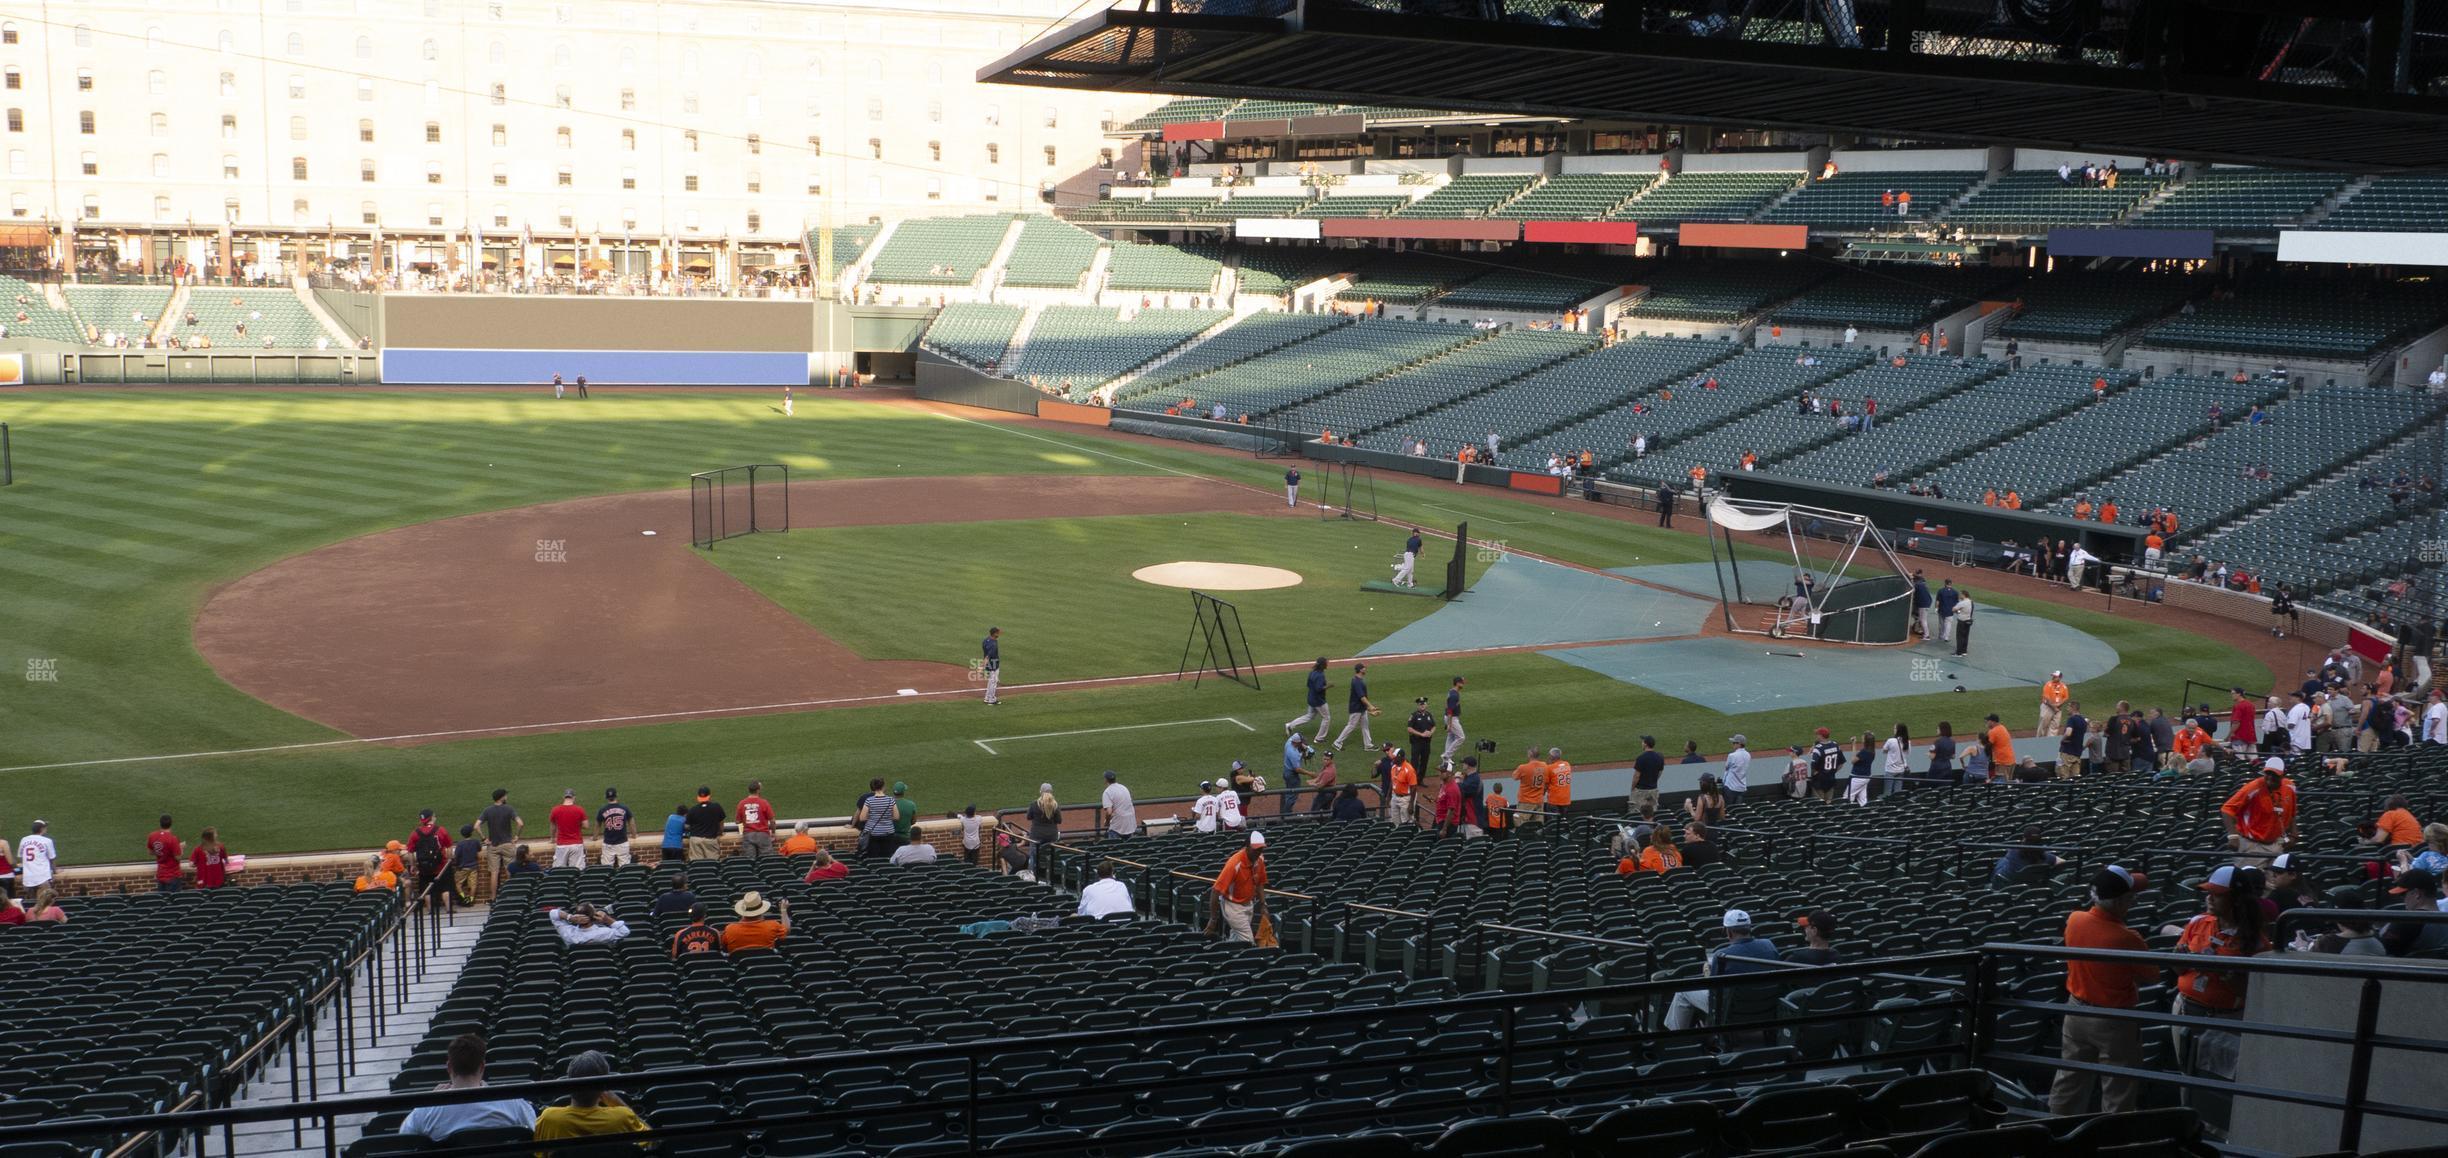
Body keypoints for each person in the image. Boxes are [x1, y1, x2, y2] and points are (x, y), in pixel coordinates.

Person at [2166, 865, 2269, 1125]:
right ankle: (2186, 1126)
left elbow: (2250, 993)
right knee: (2186, 1073)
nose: (2209, 898)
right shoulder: (2198, 922)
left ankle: (2217, 1133)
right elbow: (2178, 967)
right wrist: (2181, 957)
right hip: (2186, 1008)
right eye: (2208, 893)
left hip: (2226, 1019)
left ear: (2236, 899)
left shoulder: (2256, 942)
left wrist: (2222, 971)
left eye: (2217, 894)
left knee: (2217, 1081)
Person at [2049, 865, 2156, 1116]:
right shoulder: (2127, 937)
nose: (2134, 900)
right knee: (2118, 1088)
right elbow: (2152, 975)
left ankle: (2053, 1133)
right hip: (2114, 1020)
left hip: (2076, 1010)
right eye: (2131, 896)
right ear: (2120, 901)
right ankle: (2111, 1143)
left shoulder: (2074, 919)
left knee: (2069, 1080)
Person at [398, 1034, 539, 1141]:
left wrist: (430, 1101)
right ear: (482, 1066)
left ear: (449, 1067)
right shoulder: (512, 1103)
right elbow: (534, 1129)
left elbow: (405, 1140)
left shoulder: (425, 1111)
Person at [1663, 911, 1783, 1031]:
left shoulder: (1722, 955)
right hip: (1766, 1004)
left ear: (1729, 932)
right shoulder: (1769, 945)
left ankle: (1677, 1038)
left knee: (1683, 992)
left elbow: (1714, 994)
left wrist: (1707, 974)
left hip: (1731, 1009)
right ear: (1749, 928)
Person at [530, 1052, 646, 1142]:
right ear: (604, 1087)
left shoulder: (549, 1119)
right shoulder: (623, 1116)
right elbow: (653, 1142)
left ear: (569, 1084)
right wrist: (619, 1103)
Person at [2222, 758, 2297, 866]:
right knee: (2249, 881)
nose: (2270, 777)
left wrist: (2294, 834)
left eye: (2274, 774)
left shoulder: (2290, 787)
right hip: (2252, 845)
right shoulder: (2253, 787)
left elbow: (2292, 812)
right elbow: (2226, 809)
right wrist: (2233, 836)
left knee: (2273, 882)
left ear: (2282, 775)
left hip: (2276, 843)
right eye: (2267, 773)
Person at [1214, 833, 1268, 943]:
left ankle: (1226, 956)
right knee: (1248, 941)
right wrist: (1213, 918)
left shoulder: (1259, 860)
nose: (1258, 852)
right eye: (1256, 849)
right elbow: (1215, 890)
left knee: (1236, 940)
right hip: (1232, 906)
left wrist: (1263, 904)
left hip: (1248, 904)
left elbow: (1260, 883)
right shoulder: (1234, 863)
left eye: (1261, 849)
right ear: (1247, 847)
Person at [2380, 870, 2448, 956]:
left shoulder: (2408, 921)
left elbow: (2381, 950)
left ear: (2417, 894)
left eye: (2403, 894)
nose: (2403, 899)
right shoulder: (2444, 919)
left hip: (2401, 967)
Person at [720, 892, 791, 951]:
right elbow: (786, 930)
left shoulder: (730, 929)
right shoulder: (772, 926)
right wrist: (783, 910)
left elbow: (723, 945)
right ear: (761, 910)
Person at [478, 789, 522, 885]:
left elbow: (476, 826)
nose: (506, 797)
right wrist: (516, 836)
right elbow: (520, 824)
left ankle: (493, 897)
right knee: (509, 870)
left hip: (493, 846)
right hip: (507, 844)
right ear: (501, 797)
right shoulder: (509, 809)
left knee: (494, 873)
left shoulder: (487, 810)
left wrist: (484, 839)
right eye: (505, 795)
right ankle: (512, 893)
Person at [1333, 662, 1379, 752]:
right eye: (1364, 668)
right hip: (1356, 708)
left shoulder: (1359, 680)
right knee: (1351, 726)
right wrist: (1371, 706)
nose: (1365, 669)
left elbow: (1362, 697)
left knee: (1365, 726)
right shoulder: (1356, 681)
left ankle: (1368, 745)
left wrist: (1369, 708)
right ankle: (1337, 742)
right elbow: (1362, 697)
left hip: (1361, 708)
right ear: (1360, 670)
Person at [1286, 656, 1333, 743]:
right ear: (1323, 665)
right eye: (1326, 663)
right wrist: (1328, 686)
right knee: (1326, 718)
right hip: (1319, 701)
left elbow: (1308, 685)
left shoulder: (1312, 672)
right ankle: (1319, 738)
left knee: (1309, 716)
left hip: (1311, 698)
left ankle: (1290, 725)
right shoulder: (1320, 675)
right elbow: (1319, 689)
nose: (1327, 664)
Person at [1994, 827, 2063, 881]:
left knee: (2003, 861)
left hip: (2011, 882)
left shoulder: (2013, 852)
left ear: (2024, 839)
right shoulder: (2046, 856)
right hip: (2034, 882)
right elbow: (2063, 862)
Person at [856, 779, 900, 860]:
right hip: (888, 832)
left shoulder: (869, 800)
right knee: (886, 858)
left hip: (873, 834)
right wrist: (886, 818)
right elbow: (896, 817)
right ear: (883, 787)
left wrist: (873, 817)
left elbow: (862, 818)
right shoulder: (891, 800)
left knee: (874, 858)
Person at [548, 902, 630, 945]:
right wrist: (608, 919)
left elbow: (553, 913)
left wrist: (570, 917)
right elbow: (624, 931)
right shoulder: (606, 933)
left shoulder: (567, 933)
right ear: (594, 916)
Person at [1024, 784, 1062, 877]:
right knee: (1052, 855)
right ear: (1051, 792)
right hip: (1052, 835)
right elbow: (1059, 821)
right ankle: (1053, 877)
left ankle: (1032, 877)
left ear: (1041, 792)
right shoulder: (1055, 805)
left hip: (1036, 835)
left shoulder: (1034, 804)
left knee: (1033, 857)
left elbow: (1028, 817)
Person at [735, 782, 776, 859]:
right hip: (763, 835)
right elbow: (772, 821)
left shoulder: (742, 803)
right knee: (766, 861)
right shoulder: (764, 802)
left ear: (749, 790)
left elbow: (737, 821)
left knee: (750, 861)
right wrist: (773, 833)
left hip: (748, 835)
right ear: (758, 790)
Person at [683, 788, 726, 861]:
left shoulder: (692, 810)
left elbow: (687, 825)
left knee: (697, 864)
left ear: (698, 797)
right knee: (712, 864)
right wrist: (720, 832)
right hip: (710, 840)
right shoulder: (716, 807)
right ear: (709, 796)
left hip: (695, 840)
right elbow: (721, 822)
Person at [1807, 727, 1845, 803]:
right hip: (1831, 779)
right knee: (1828, 801)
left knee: (1818, 803)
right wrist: (1832, 772)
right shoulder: (1835, 745)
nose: (1816, 736)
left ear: (1821, 736)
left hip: (1819, 781)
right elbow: (1841, 763)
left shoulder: (1818, 749)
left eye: (1817, 734)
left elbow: (1813, 766)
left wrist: (1816, 774)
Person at [146, 816, 184, 892]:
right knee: (174, 901)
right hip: (173, 876)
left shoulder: (152, 836)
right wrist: (181, 847)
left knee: (163, 900)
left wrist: (162, 852)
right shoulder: (173, 839)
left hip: (160, 875)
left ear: (160, 824)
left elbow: (150, 852)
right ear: (171, 824)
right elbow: (178, 857)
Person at [1631, 735, 1666, 814]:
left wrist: (1632, 788)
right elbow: (1660, 773)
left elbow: (1636, 776)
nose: (1642, 743)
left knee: (1638, 812)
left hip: (1641, 791)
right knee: (1652, 813)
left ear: (1645, 744)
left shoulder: (1641, 758)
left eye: (1643, 742)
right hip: (1653, 789)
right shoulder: (1659, 758)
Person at [1404, 696, 1436, 775]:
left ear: (1426, 705)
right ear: (1418, 705)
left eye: (1424, 704)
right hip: (1416, 743)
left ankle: (1420, 779)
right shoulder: (1414, 715)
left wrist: (1431, 733)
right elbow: (1409, 728)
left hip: (1426, 743)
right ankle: (1412, 780)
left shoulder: (1429, 715)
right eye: (1420, 704)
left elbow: (1434, 726)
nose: (1422, 705)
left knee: (1424, 762)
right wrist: (1421, 734)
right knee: (1414, 762)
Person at [2058, 701, 2089, 779]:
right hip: (2077, 753)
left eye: (2068, 707)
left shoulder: (2071, 719)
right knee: (2076, 778)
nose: (2067, 709)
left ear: (2073, 708)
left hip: (2067, 752)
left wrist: (2062, 739)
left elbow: (2068, 733)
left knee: (2064, 777)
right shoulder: (2083, 721)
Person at [1441, 676, 1467, 765]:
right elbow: (1450, 710)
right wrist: (1449, 724)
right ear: (1457, 683)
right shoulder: (1454, 695)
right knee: (1461, 737)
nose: (1463, 684)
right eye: (1462, 682)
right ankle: (1446, 755)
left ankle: (1446, 759)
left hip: (1450, 717)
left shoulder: (1452, 691)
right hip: (1451, 718)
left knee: (1451, 737)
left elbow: (1446, 705)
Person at [2039, 672, 2071, 736]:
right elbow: (2046, 698)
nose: (2053, 677)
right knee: (2043, 726)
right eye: (2053, 676)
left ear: (2060, 677)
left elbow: (2066, 697)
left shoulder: (2064, 687)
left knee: (2055, 727)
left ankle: (2050, 741)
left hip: (2058, 709)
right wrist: (2054, 707)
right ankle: (2039, 741)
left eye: (2055, 676)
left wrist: (2059, 704)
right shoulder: (2048, 684)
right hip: (2047, 707)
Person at [980, 626, 1003, 706]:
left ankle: (987, 698)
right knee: (993, 682)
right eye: (998, 633)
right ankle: (991, 700)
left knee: (990, 681)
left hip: (990, 664)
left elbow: (985, 652)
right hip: (993, 664)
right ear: (994, 633)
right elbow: (988, 656)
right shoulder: (993, 644)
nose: (999, 634)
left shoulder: (986, 640)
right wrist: (982, 666)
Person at [1951, 589, 1975, 656]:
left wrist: (1958, 611)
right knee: (1965, 636)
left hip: (1962, 622)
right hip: (1968, 621)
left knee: (1959, 637)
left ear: (1963, 595)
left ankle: (1958, 653)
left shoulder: (1962, 603)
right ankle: (1964, 651)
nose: (1959, 595)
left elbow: (1953, 609)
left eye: (1960, 594)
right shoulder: (1971, 601)